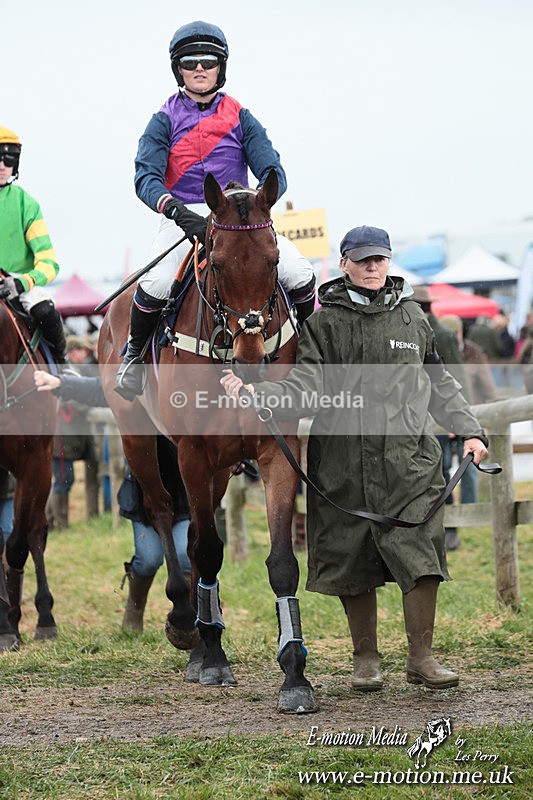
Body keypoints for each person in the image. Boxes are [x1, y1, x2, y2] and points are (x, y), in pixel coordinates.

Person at [221, 225, 489, 692]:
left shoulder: (413, 319)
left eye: (379, 260)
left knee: (421, 554)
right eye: (362, 260)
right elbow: (306, 388)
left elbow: (440, 382)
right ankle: (365, 660)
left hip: (409, 460)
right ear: (344, 263)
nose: (372, 268)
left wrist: (469, 430)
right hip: (342, 462)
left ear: (388, 262)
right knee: (352, 559)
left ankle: (421, 657)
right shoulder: (323, 325)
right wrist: (260, 393)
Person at [115, 21, 316, 399]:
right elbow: (145, 178)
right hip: (184, 214)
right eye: (190, 62)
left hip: (238, 216)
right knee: (156, 283)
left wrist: (258, 199)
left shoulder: (241, 115)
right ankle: (134, 356)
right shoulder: (163, 120)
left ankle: (319, 353)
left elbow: (272, 168)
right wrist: (175, 210)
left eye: (208, 61)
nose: (200, 68)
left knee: (299, 272)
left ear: (221, 66)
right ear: (179, 69)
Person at [35, 369, 191, 632]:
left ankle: (193, 619)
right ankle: (134, 609)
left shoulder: (187, 380)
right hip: (146, 489)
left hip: (186, 487)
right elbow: (103, 388)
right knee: (148, 559)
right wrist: (62, 383)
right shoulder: (139, 375)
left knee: (187, 555)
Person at [410, 287, 470, 552]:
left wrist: (459, 421)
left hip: (441, 416)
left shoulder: (440, 334)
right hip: (423, 414)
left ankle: (451, 529)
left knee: (444, 473)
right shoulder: (415, 330)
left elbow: (456, 378)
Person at [0, 126, 66, 363]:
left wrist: (22, 282)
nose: (2, 165)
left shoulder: (26, 204)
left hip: (19, 286)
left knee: (45, 312)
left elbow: (49, 264)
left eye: (8, 159)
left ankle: (62, 363)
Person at [46, 337, 99, 531]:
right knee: (62, 480)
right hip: (63, 436)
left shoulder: (75, 370)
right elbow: (75, 400)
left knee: (64, 480)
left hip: (75, 433)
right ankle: (58, 524)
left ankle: (54, 522)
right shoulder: (64, 370)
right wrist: (91, 400)